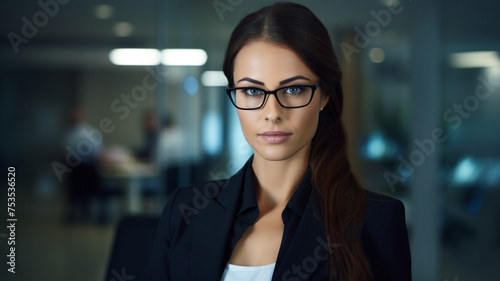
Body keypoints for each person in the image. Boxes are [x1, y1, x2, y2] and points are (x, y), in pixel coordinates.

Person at [148, 2, 411, 281]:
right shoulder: (184, 211)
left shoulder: (375, 222)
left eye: (293, 89)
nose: (272, 113)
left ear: (324, 96)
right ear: (234, 96)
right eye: (251, 90)